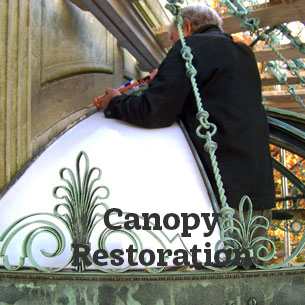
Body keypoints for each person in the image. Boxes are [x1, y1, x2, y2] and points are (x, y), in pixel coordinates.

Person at [100, 6, 275, 234]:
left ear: (186, 28)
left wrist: (114, 103)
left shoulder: (189, 47)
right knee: (256, 267)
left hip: (222, 193)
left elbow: (154, 111)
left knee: (221, 267)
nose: (173, 46)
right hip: (258, 190)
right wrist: (163, 81)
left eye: (173, 40)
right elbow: (215, 103)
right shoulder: (243, 54)